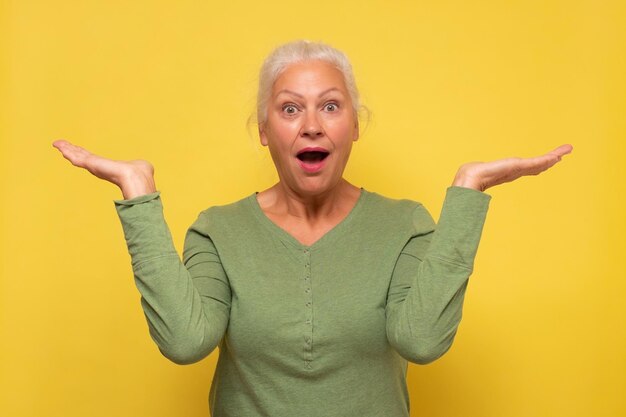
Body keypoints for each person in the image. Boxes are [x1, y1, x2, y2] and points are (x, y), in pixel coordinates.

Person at [53, 40, 572, 417]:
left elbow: (422, 341)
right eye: (289, 108)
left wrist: (467, 193)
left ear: (354, 125)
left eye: (330, 105)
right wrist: (138, 196)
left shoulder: (406, 224)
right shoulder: (217, 231)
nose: (311, 125)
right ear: (264, 130)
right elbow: (186, 342)